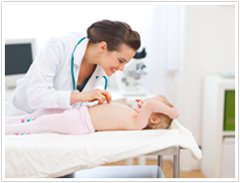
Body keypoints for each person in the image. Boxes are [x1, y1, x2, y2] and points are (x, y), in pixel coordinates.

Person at [5, 20, 141, 117]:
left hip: (54, 128)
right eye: (121, 61)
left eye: (126, 63)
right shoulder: (58, 46)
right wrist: (80, 96)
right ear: (102, 47)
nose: (122, 68)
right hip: (21, 119)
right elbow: (36, 96)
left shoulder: (103, 71)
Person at [5, 94, 179, 135]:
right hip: (79, 113)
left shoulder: (138, 124)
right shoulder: (132, 114)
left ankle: (10, 131)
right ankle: (8, 122)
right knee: (42, 113)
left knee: (43, 122)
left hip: (80, 123)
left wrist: (171, 112)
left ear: (154, 118)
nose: (144, 102)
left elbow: (151, 105)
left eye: (148, 102)